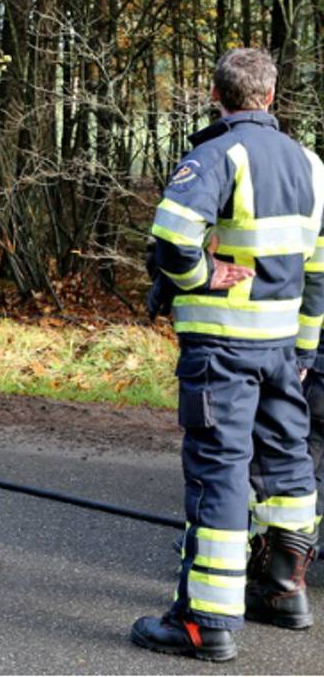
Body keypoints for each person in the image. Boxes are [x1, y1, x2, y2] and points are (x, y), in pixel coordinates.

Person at [131, 47, 321, 662]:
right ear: (271, 96)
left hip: (222, 348)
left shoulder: (218, 154)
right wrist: (304, 349)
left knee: (220, 472)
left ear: (217, 96)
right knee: (288, 464)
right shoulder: (311, 165)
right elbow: (318, 271)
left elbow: (171, 237)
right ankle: (286, 592)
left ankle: (203, 625)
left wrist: (202, 276)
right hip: (281, 349)